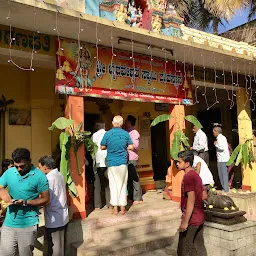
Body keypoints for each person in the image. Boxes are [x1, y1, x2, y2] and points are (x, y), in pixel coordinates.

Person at [0, 148, 50, 256]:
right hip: (8, 224)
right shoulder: (9, 172)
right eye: (16, 166)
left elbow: (46, 199)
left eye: (21, 166)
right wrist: (1, 190)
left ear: (29, 161)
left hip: (28, 224)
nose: (18, 169)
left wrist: (25, 202)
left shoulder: (39, 176)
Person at [101, 115, 134, 215]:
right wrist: (124, 148)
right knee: (123, 184)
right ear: (122, 123)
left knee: (113, 185)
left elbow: (102, 147)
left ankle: (115, 208)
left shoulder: (108, 134)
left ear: (112, 123)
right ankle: (123, 208)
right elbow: (131, 147)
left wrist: (110, 148)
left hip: (111, 163)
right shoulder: (126, 134)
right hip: (123, 162)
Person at [176, 150, 207, 256]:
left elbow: (191, 200)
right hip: (200, 216)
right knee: (199, 247)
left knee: (184, 249)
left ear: (187, 164)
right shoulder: (196, 175)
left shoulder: (188, 177)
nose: (177, 164)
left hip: (192, 218)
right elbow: (204, 195)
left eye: (179, 162)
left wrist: (185, 221)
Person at [38, 156, 69, 256]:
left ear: (45, 167)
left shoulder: (49, 178)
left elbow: (46, 199)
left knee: (55, 248)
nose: (39, 170)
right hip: (60, 215)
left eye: (40, 167)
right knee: (58, 246)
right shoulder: (58, 174)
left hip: (54, 217)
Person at [91, 121, 110, 209]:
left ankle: (97, 205)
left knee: (97, 183)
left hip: (97, 162)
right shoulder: (108, 134)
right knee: (107, 183)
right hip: (107, 161)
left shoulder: (94, 135)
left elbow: (91, 148)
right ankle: (109, 203)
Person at [125, 115, 143, 205]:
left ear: (129, 122)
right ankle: (131, 196)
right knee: (129, 179)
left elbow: (135, 145)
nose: (125, 122)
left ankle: (138, 197)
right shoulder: (127, 132)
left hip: (132, 158)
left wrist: (124, 146)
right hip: (127, 158)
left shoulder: (134, 132)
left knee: (134, 178)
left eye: (126, 121)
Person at [213, 126, 230, 193]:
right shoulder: (220, 138)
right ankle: (224, 187)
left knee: (223, 174)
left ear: (217, 132)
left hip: (223, 159)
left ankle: (225, 188)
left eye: (214, 131)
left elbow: (221, 147)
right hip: (221, 158)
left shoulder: (220, 138)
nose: (213, 133)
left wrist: (216, 144)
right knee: (222, 174)